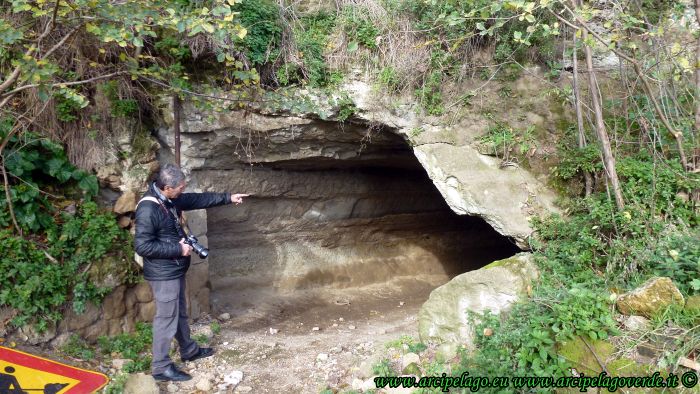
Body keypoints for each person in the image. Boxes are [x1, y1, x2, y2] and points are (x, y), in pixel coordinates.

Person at [134, 163, 249, 382]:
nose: (182, 191)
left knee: (180, 313)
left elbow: (198, 200)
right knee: (166, 317)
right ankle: (160, 367)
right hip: (163, 273)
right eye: (180, 187)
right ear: (167, 187)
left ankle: (189, 350)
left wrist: (228, 197)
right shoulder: (148, 208)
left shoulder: (169, 200)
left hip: (174, 270)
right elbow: (142, 246)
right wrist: (179, 248)